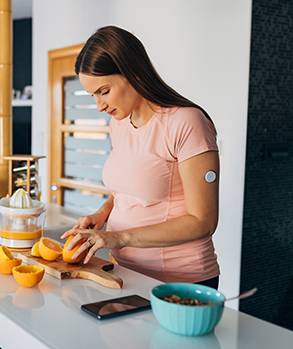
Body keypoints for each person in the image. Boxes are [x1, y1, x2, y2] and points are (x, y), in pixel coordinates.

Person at [61, 26, 220, 289]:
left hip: (177, 281)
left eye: (104, 91)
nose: (99, 106)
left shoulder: (186, 123)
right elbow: (130, 188)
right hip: (125, 273)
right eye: (93, 96)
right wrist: (103, 213)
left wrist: (119, 237)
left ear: (133, 73)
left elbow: (203, 221)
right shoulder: (120, 122)